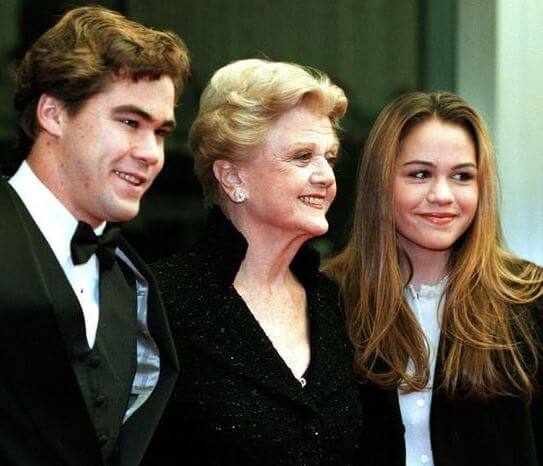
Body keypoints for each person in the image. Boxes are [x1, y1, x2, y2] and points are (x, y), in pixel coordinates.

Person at [144, 59, 363, 465]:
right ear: (232, 178)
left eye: (329, 158)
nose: (325, 176)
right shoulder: (161, 302)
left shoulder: (334, 301)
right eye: (302, 156)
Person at [0, 6, 189, 466]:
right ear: (53, 113)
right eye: (129, 122)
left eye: (160, 132)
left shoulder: (132, 281)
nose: (151, 154)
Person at [325, 91, 543, 466]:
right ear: (381, 182)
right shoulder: (327, 298)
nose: (442, 195)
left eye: (462, 176)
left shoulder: (527, 297)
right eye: (420, 174)